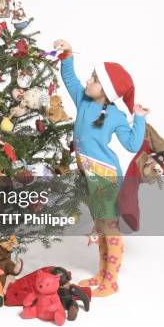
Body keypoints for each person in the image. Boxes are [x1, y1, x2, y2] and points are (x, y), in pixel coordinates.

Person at [54, 39, 149, 297]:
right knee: (100, 225)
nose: (88, 81)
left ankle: (111, 281)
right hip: (89, 175)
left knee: (109, 227)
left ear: (105, 90)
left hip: (106, 178)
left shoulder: (116, 116)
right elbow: (70, 77)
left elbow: (131, 144)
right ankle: (102, 273)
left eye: (94, 79)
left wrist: (139, 118)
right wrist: (67, 54)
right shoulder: (83, 101)